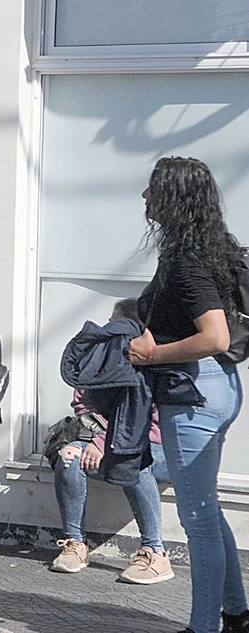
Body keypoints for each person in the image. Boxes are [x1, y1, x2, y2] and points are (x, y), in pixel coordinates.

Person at [126, 157, 248, 633]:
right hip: (218, 386)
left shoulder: (186, 261)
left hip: (193, 392)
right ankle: (236, 613)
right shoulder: (210, 249)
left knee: (197, 519)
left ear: (172, 198)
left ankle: (203, 627)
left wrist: (152, 354)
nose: (144, 196)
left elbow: (215, 336)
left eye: (152, 188)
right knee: (207, 508)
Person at [50, 298, 174, 585]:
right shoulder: (99, 359)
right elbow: (82, 405)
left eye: (113, 322)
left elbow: (147, 423)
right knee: (69, 455)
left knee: (133, 459)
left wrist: (107, 443)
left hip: (158, 451)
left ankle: (155, 551)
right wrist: (99, 438)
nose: (108, 328)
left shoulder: (155, 362)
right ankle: (74, 543)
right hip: (106, 443)